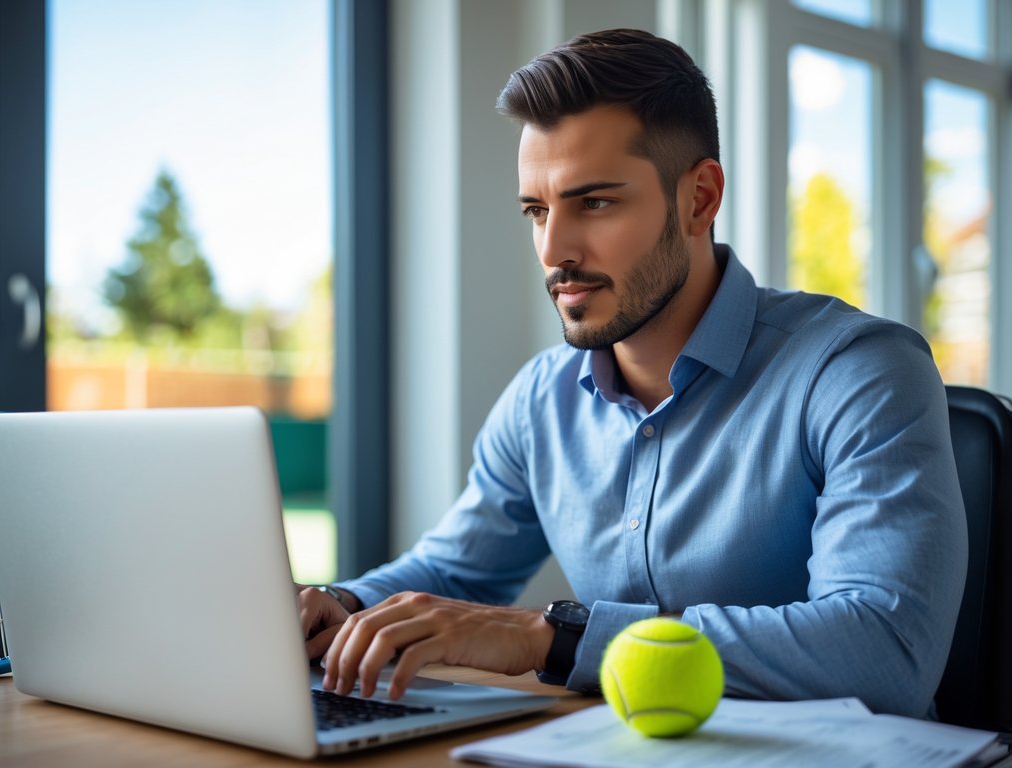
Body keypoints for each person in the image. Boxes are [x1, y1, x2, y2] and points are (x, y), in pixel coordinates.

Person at [297, 28, 966, 720]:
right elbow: (449, 572)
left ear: (699, 199)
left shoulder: (858, 372)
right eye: (536, 210)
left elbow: (885, 654)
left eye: (594, 203)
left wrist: (550, 638)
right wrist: (340, 604)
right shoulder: (540, 400)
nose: (553, 250)